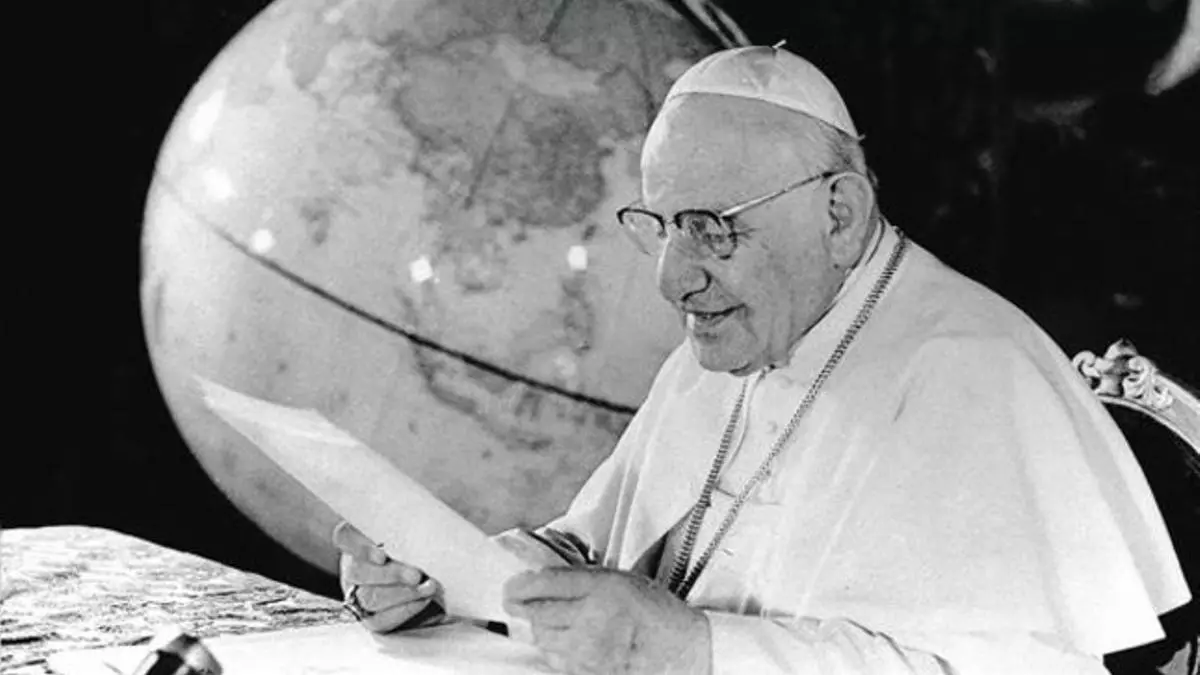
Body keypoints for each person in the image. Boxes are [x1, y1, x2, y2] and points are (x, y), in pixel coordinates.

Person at [333, 45, 1190, 674]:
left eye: (712, 228)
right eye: (665, 226)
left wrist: (691, 650)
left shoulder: (974, 373)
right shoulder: (726, 347)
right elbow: (587, 551)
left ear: (840, 214)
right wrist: (443, 576)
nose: (674, 277)